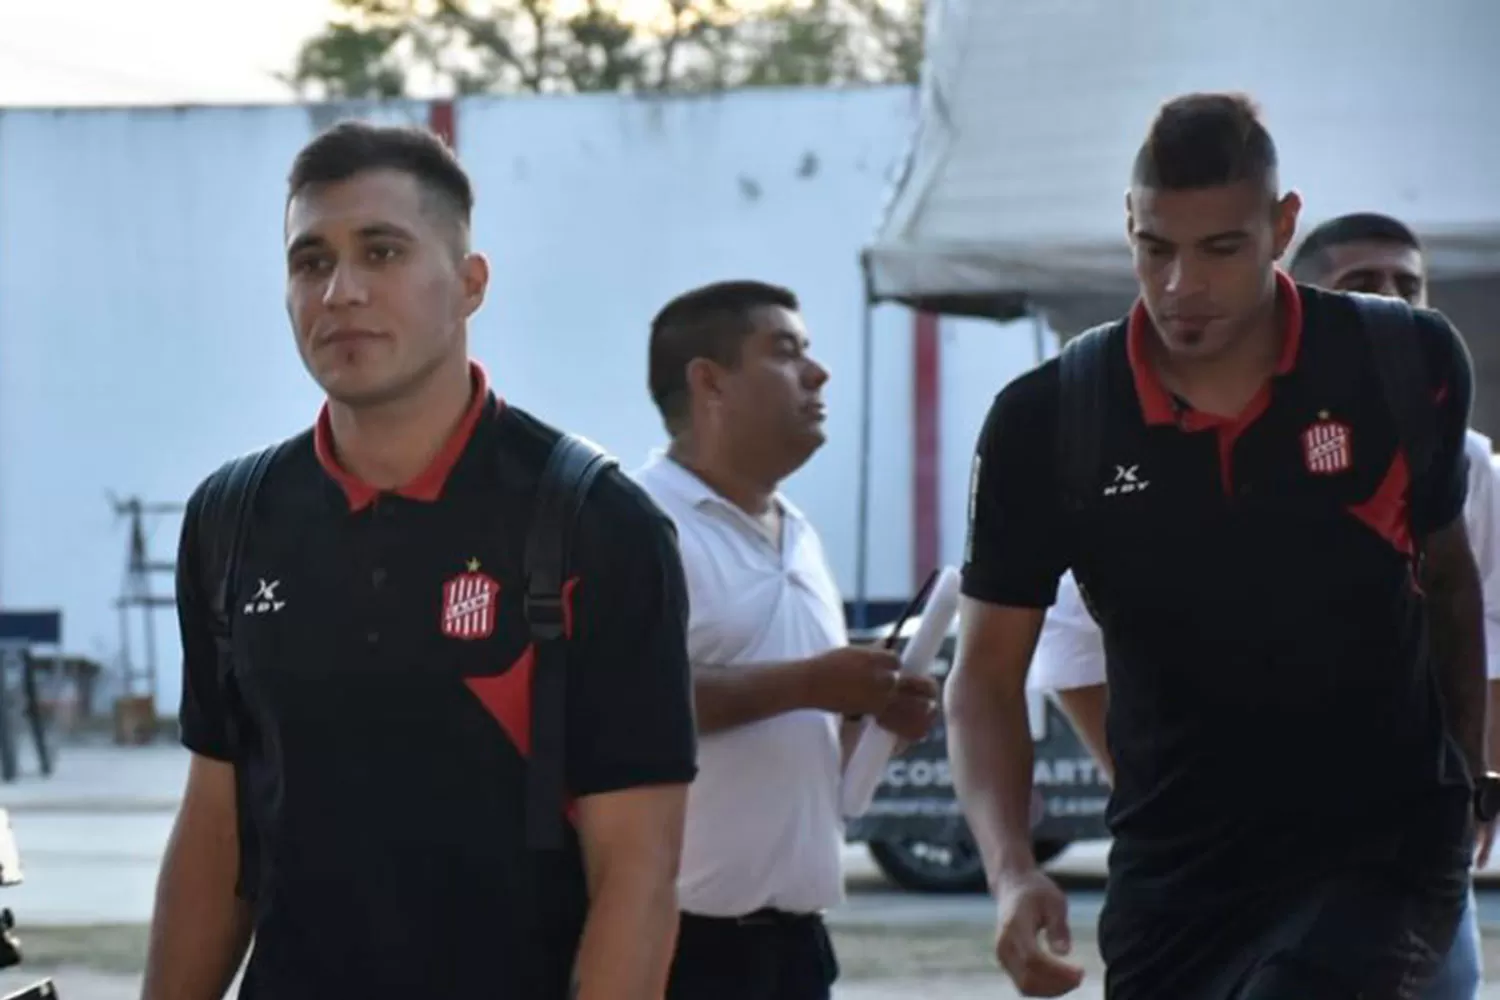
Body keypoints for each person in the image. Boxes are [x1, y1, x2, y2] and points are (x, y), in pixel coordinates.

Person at [947, 92, 1493, 999]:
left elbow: (1448, 576)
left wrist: (1465, 775)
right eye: (1155, 248)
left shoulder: (1405, 360)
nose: (1180, 287)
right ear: (1128, 223)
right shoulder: (1046, 419)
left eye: (1220, 249)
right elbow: (984, 676)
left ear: (1282, 227)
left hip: (1381, 851)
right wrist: (1011, 870)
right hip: (1176, 878)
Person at [141, 121, 698, 1000]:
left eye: (383, 251)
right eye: (310, 261)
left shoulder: (594, 521)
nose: (341, 292)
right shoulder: (233, 516)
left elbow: (639, 871)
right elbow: (218, 827)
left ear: (470, 284)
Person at [632, 280, 939, 1000]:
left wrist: (876, 722)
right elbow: (627, 701)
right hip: (680, 951)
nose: (818, 372)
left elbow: (805, 744)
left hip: (796, 946)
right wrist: (808, 684)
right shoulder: (641, 524)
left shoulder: (798, 532)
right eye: (786, 351)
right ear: (709, 382)